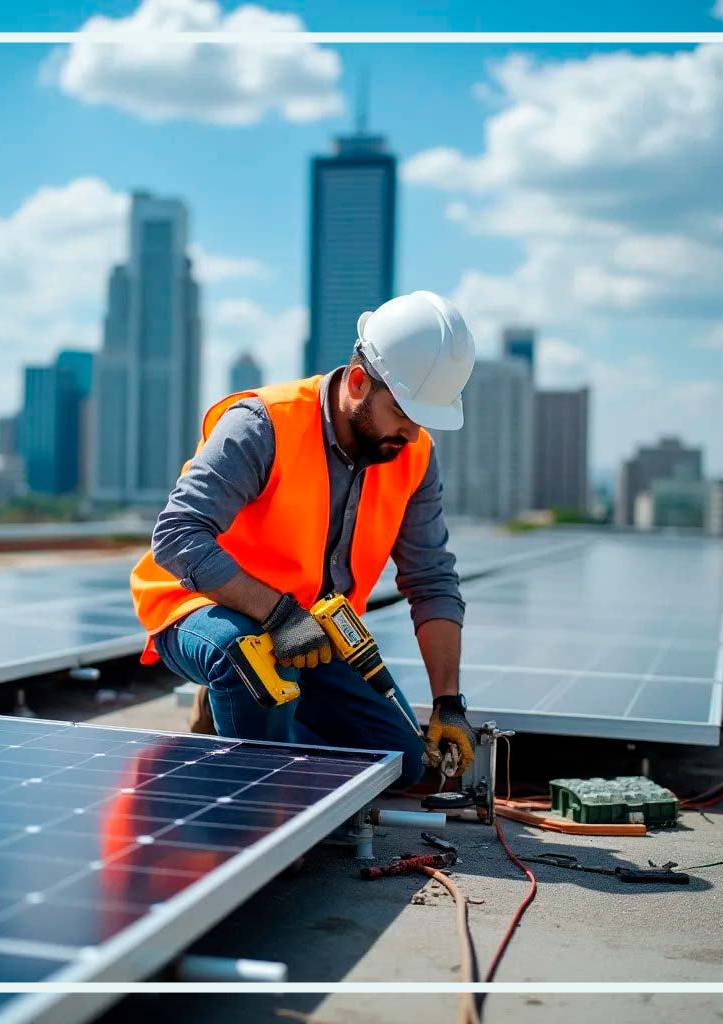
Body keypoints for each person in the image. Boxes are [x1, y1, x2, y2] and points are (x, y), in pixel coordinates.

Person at [130, 290, 478, 789]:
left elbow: (432, 580)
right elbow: (177, 536)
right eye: (402, 414)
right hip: (202, 606)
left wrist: (448, 701)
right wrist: (278, 615)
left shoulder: (414, 455)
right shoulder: (262, 424)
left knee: (402, 763)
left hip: (314, 632)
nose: (409, 434)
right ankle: (255, 790)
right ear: (358, 382)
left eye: (421, 420)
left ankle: (248, 727)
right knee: (252, 659)